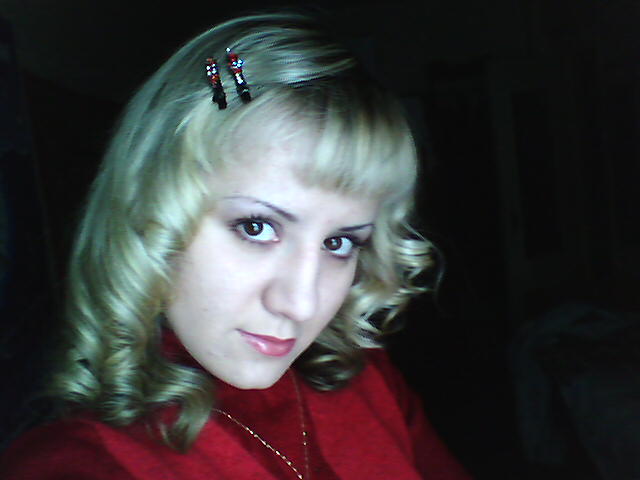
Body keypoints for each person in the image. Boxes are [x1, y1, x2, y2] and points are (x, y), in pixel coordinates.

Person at [0, 11, 472, 479]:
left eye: (339, 242)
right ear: (150, 210)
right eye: (257, 228)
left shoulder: (368, 381)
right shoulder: (76, 465)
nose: (301, 303)